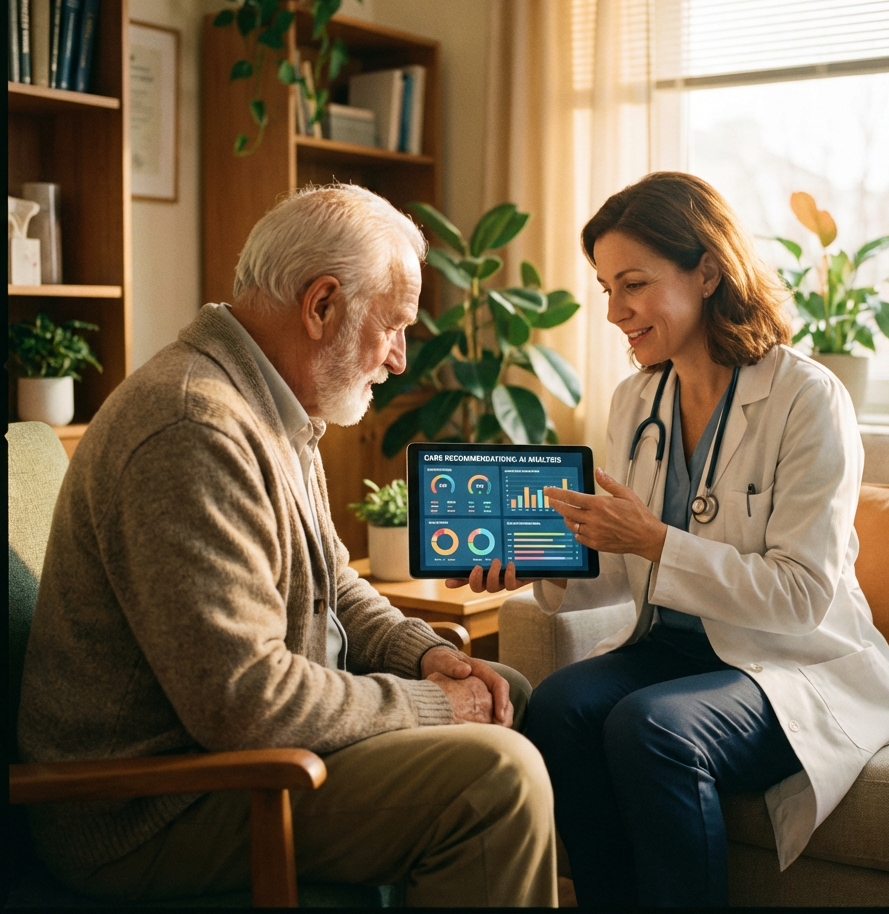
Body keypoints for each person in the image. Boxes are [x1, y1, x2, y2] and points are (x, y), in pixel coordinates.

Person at [18, 184, 558, 908]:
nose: (399, 359)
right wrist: (433, 705)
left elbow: (333, 581)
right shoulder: (193, 430)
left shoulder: (273, 405)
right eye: (393, 325)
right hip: (153, 808)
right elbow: (247, 703)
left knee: (513, 695)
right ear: (322, 305)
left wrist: (422, 652)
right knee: (497, 780)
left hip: (231, 762)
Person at [452, 172, 889, 907]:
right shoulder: (639, 398)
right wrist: (543, 562)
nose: (613, 311)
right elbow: (622, 557)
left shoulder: (806, 398)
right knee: (559, 707)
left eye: (632, 284)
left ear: (707, 270)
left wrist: (658, 541)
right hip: (673, 647)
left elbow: (799, 597)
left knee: (650, 727)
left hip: (788, 659)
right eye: (605, 287)